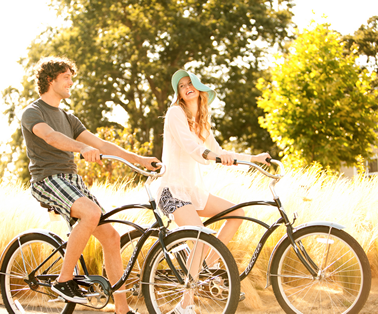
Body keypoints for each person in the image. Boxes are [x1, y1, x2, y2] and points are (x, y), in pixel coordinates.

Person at [21, 56, 160, 314]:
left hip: (72, 181)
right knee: (92, 212)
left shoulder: (68, 117)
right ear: (50, 80)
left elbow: (103, 145)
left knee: (111, 237)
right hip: (48, 179)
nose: (71, 82)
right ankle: (64, 281)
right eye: (66, 78)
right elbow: (50, 137)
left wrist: (139, 159)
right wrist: (81, 147)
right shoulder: (33, 111)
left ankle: (122, 309)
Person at [157, 69, 271, 314]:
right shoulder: (175, 113)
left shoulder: (201, 123)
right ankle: (184, 304)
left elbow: (219, 150)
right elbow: (191, 148)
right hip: (173, 191)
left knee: (238, 213)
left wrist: (254, 158)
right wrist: (214, 156)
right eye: (182, 85)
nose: (187, 87)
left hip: (193, 192)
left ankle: (203, 271)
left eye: (191, 83)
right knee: (200, 236)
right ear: (178, 93)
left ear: (200, 89)